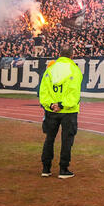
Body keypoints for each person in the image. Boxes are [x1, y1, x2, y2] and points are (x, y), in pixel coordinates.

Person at [39, 45, 83, 178]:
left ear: (59, 54)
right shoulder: (74, 70)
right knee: (67, 140)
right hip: (68, 111)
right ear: (72, 55)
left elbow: (43, 91)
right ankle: (63, 169)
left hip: (51, 110)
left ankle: (46, 168)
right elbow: (74, 93)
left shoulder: (50, 69)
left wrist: (51, 104)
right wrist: (62, 105)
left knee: (49, 139)